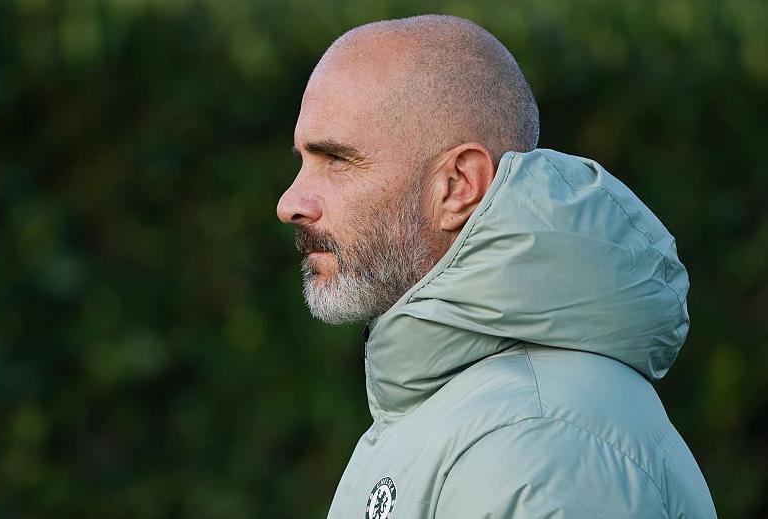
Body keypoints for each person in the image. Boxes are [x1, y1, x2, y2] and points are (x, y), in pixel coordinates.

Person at [276, 14, 716, 519]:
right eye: (302, 161)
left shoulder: (537, 443)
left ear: (459, 185)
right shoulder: (467, 413)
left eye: (336, 160)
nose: (290, 202)